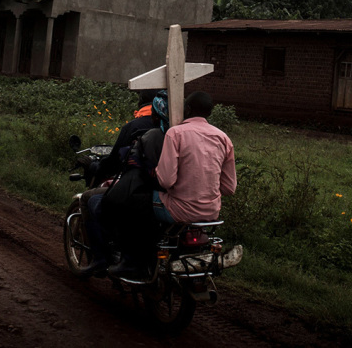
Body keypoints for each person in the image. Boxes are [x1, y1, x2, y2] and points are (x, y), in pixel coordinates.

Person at [80, 89, 157, 277]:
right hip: (168, 190)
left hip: (137, 187)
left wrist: (97, 167)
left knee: (91, 201)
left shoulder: (134, 126)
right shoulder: (174, 126)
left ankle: (100, 259)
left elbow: (115, 161)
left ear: (141, 103)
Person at [104, 91, 169, 277]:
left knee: (116, 204)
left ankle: (128, 260)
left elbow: (162, 177)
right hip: (206, 205)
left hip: (158, 192)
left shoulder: (152, 135)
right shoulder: (189, 135)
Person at [153, 91, 236, 225]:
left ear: (188, 109)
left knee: (141, 199)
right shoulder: (223, 138)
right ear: (209, 113)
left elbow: (166, 181)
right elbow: (229, 188)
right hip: (211, 213)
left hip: (177, 211)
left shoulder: (175, 133)